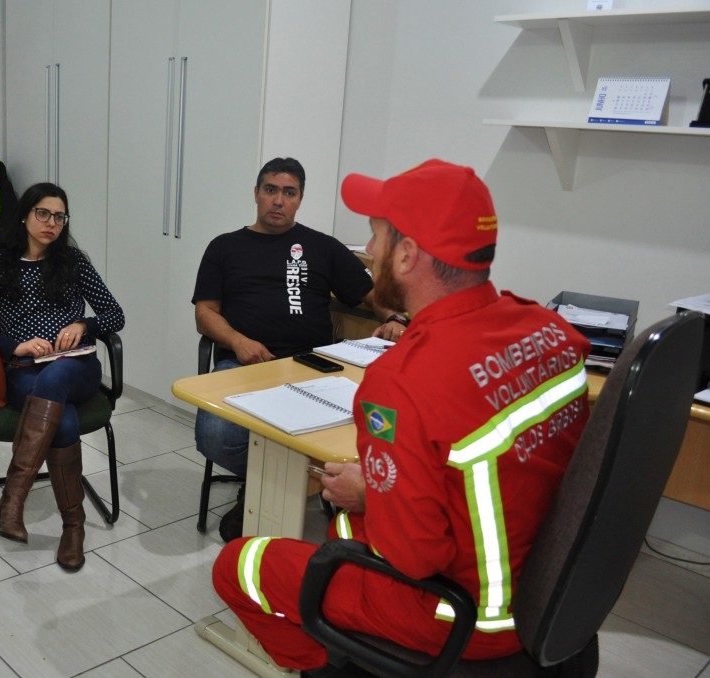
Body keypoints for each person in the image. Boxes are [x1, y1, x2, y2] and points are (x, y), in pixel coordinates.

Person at [211, 159, 592, 675]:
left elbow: (415, 558)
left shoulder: (400, 383)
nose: (368, 253)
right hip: (547, 589)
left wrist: (374, 492)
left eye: (376, 237)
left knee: (239, 565)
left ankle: (330, 666)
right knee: (343, 520)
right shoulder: (552, 331)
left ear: (407, 255)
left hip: (461, 614)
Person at [191, 157, 407, 542]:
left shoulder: (322, 247)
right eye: (270, 190)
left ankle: (277, 485)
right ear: (256, 194)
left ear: (300, 199)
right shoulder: (224, 247)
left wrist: (396, 319)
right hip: (244, 363)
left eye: (288, 193)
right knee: (214, 434)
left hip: (314, 363)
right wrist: (239, 342)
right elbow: (205, 313)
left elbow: (372, 295)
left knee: (364, 423)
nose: (278, 200)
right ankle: (273, 482)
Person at [0, 182, 124, 572]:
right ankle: (73, 528)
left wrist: (83, 324)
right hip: (25, 370)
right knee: (64, 420)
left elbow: (116, 316)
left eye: (59, 216)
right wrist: (13, 346)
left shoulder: (74, 262)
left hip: (77, 366)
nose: (51, 223)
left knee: (59, 374)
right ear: (26, 216)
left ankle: (13, 499)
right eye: (43, 213)